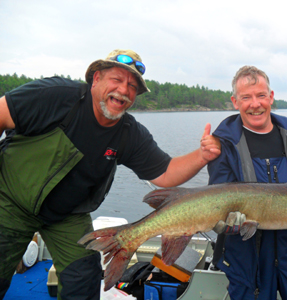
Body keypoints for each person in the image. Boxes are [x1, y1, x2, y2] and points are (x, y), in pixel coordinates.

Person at [0, 49, 221, 300]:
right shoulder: (55, 96)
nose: (124, 90)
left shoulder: (129, 133)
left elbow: (165, 173)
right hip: (10, 203)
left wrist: (202, 156)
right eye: (116, 79)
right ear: (95, 79)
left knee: (84, 278)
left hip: (67, 216)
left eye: (132, 86)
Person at [207, 66, 287, 300]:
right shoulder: (224, 146)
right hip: (248, 261)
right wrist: (227, 222)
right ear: (234, 102)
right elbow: (218, 201)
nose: (255, 104)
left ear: (271, 97)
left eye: (261, 95)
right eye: (246, 97)